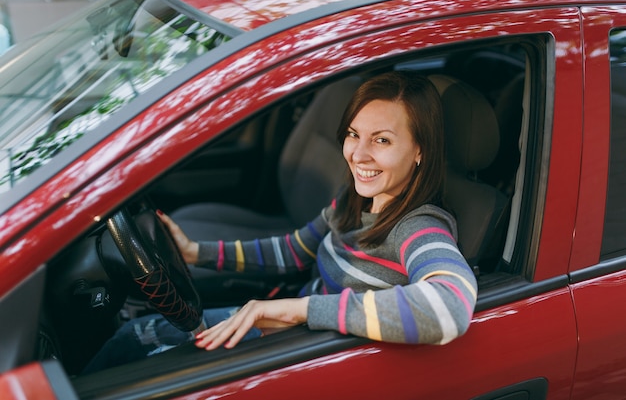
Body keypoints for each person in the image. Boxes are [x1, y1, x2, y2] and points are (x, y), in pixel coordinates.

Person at [83, 71, 478, 373]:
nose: (358, 154)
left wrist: (301, 310)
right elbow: (294, 250)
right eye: (354, 134)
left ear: (420, 150)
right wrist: (195, 253)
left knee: (144, 366)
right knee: (130, 338)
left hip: (309, 350)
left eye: (382, 140)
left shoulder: (420, 228)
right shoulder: (355, 199)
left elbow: (449, 308)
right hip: (291, 328)